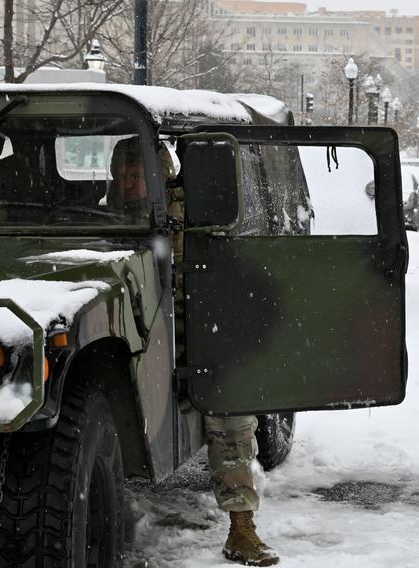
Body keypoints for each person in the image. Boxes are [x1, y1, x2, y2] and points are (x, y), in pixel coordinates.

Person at [111, 138, 280, 566]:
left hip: (198, 333)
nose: (133, 183)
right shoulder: (98, 216)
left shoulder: (201, 215)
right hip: (139, 336)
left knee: (231, 422)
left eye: (141, 173)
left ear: (163, 172)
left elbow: (230, 272)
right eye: (126, 175)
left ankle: (242, 529)